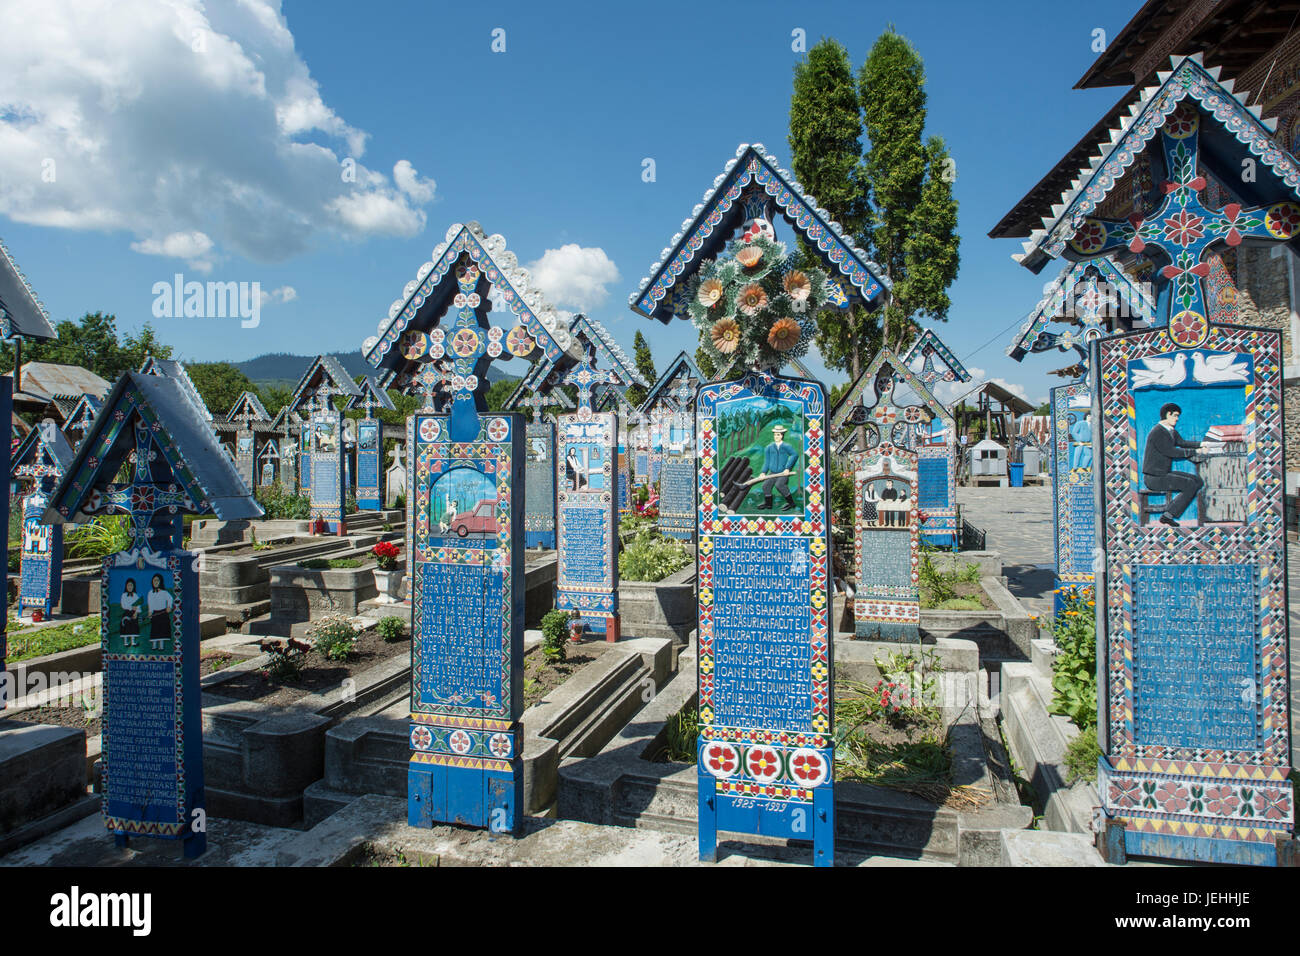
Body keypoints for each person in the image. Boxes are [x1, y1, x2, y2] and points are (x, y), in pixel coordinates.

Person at [1141, 402, 1203, 527]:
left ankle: (1169, 512)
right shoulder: (1158, 432)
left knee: (1198, 481)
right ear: (1168, 414)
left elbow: (1182, 442)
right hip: (1154, 477)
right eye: (1175, 415)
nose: (1177, 419)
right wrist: (1195, 451)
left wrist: (1201, 444)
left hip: (1163, 474)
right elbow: (1171, 451)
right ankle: (1168, 515)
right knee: (1190, 484)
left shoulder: (1170, 431)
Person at [756, 425, 798, 512]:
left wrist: (788, 468)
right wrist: (763, 472)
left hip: (783, 473)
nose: (776, 437)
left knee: (780, 485)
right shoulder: (769, 448)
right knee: (765, 486)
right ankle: (768, 504)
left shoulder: (786, 446)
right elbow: (767, 462)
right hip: (772, 472)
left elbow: (794, 455)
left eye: (778, 435)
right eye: (775, 435)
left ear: (782, 435)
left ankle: (791, 503)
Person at [147, 574, 174, 651]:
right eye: (154, 580)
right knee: (155, 629)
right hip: (155, 613)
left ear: (160, 582)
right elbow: (150, 603)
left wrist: (169, 606)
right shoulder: (150, 593)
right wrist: (150, 612)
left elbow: (170, 599)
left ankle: (161, 646)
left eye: (157, 580)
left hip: (163, 613)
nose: (155, 582)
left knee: (162, 630)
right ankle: (154, 646)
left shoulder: (164, 592)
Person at [119, 578, 141, 648]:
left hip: (134, 614)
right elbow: (123, 605)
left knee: (133, 627)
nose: (130, 587)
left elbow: (138, 605)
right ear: (126, 586)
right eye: (128, 585)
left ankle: (133, 642)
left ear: (134, 586)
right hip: (127, 613)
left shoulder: (135, 595)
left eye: (131, 585)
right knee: (126, 627)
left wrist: (136, 613)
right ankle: (125, 642)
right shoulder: (124, 595)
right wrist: (131, 607)